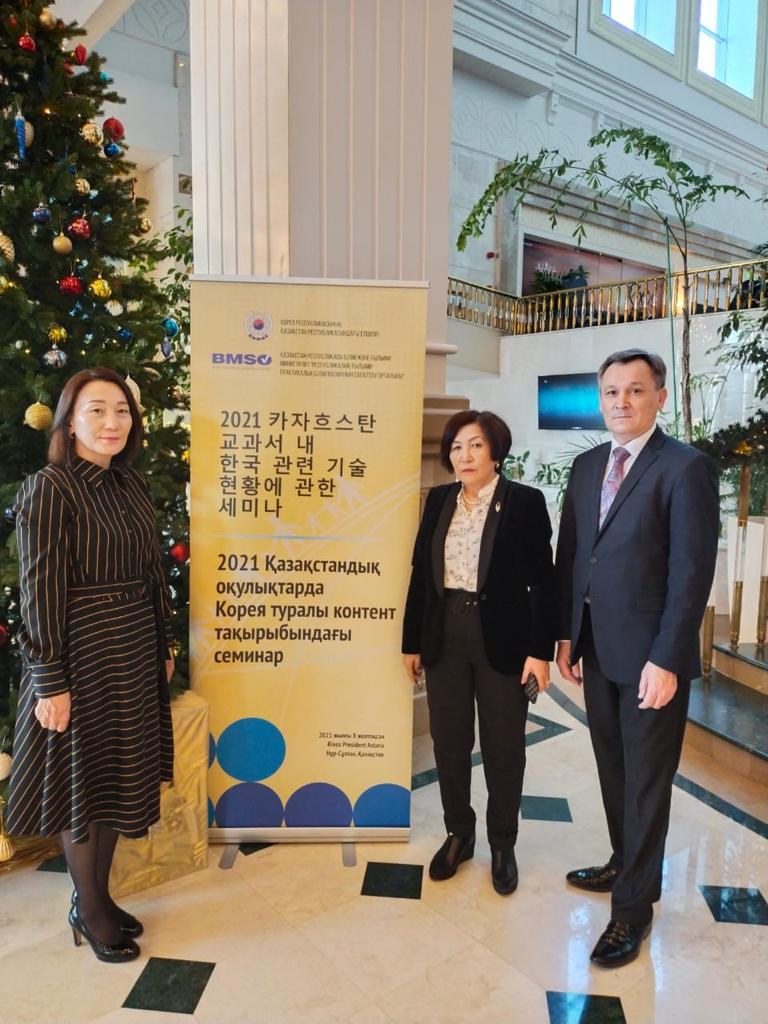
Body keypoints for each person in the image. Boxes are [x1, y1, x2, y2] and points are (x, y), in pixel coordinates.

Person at [555, 349, 719, 967]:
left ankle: (632, 911)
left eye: (635, 390)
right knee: (613, 767)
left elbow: (690, 573)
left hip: (652, 657)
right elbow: (574, 555)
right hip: (596, 647)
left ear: (659, 397)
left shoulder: (685, 467)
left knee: (647, 781)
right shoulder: (586, 466)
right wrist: (567, 636)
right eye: (611, 392)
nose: (621, 401)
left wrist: (668, 658)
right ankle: (624, 862)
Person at [6, 368, 175, 964]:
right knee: (85, 783)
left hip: (133, 647)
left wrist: (163, 646)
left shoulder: (131, 483)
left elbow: (153, 572)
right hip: (79, 655)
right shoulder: (49, 488)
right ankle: (90, 906)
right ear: (69, 422)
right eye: (96, 410)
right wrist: (49, 680)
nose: (112, 422)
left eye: (122, 410)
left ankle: (96, 896)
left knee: (113, 778)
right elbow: (38, 590)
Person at [402, 410, 555, 894]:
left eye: (475, 445)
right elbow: (420, 575)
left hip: (504, 640)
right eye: (456, 447)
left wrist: (540, 652)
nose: (464, 456)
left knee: (503, 746)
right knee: (448, 741)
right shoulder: (439, 500)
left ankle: (503, 843)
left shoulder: (524, 502)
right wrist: (411, 642)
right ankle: (459, 834)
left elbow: (543, 582)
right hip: (444, 633)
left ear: (495, 452)